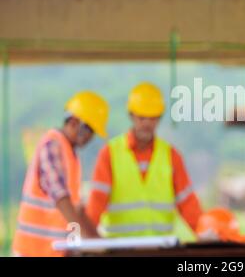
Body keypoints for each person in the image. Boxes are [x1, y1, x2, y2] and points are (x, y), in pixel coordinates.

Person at [86, 82, 203, 238]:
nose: (147, 123)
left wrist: (207, 235)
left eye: (152, 118)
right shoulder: (109, 154)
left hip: (160, 250)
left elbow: (189, 205)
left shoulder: (171, 156)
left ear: (159, 118)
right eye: (142, 117)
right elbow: (96, 202)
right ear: (131, 115)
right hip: (121, 251)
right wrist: (85, 239)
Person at [12, 91, 109, 256]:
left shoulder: (72, 156)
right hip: (34, 250)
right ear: (73, 122)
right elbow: (60, 196)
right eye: (90, 130)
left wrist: (98, 241)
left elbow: (76, 210)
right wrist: (85, 238)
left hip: (54, 251)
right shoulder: (52, 145)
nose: (90, 137)